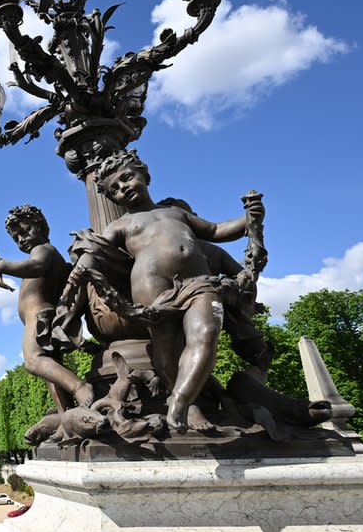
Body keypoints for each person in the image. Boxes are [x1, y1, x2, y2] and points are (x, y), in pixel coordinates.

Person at [72, 150, 264, 432]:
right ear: (112, 199)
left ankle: (181, 398)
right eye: (115, 189)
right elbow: (97, 250)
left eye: (127, 178)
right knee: (167, 345)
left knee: (207, 332)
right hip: (152, 285)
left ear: (145, 176)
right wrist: (82, 263)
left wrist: (248, 219)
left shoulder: (176, 212)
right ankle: (191, 406)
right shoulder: (120, 224)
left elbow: (215, 230)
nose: (123, 187)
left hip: (198, 282)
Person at [0, 205, 95, 440]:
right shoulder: (40, 252)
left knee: (34, 361)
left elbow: (34, 267)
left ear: (42, 226)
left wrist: (2, 266)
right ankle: (65, 416)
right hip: (36, 318)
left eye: (25, 231)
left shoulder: (44, 251)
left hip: (40, 316)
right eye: (15, 237)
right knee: (50, 372)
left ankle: (80, 387)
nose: (21, 239)